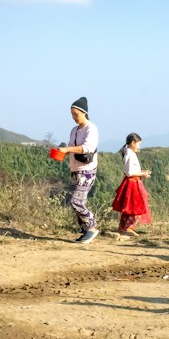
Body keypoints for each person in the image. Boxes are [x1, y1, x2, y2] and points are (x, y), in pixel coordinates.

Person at [55, 96, 101, 243]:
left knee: (76, 202)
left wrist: (67, 149)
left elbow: (88, 148)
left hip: (87, 170)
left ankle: (92, 227)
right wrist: (63, 151)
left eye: (76, 114)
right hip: (75, 169)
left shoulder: (91, 128)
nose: (74, 118)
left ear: (84, 113)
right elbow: (71, 147)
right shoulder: (74, 130)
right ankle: (85, 231)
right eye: (72, 115)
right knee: (79, 201)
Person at [110, 133, 152, 234]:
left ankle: (124, 227)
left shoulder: (129, 153)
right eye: (138, 144)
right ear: (133, 143)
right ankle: (128, 227)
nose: (139, 147)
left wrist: (142, 172)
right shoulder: (129, 154)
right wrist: (143, 173)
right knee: (133, 205)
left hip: (133, 181)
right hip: (132, 183)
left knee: (129, 205)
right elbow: (129, 172)